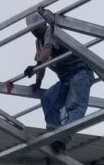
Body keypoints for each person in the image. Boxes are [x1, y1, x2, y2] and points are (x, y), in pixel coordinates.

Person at [24, 13, 93, 146]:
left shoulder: (51, 30)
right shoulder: (38, 42)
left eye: (37, 29)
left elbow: (47, 50)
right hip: (65, 77)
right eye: (32, 31)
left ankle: (62, 137)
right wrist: (38, 82)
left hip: (80, 71)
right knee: (48, 99)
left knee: (75, 106)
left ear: (43, 25)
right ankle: (54, 134)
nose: (35, 33)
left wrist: (37, 65)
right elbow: (42, 62)